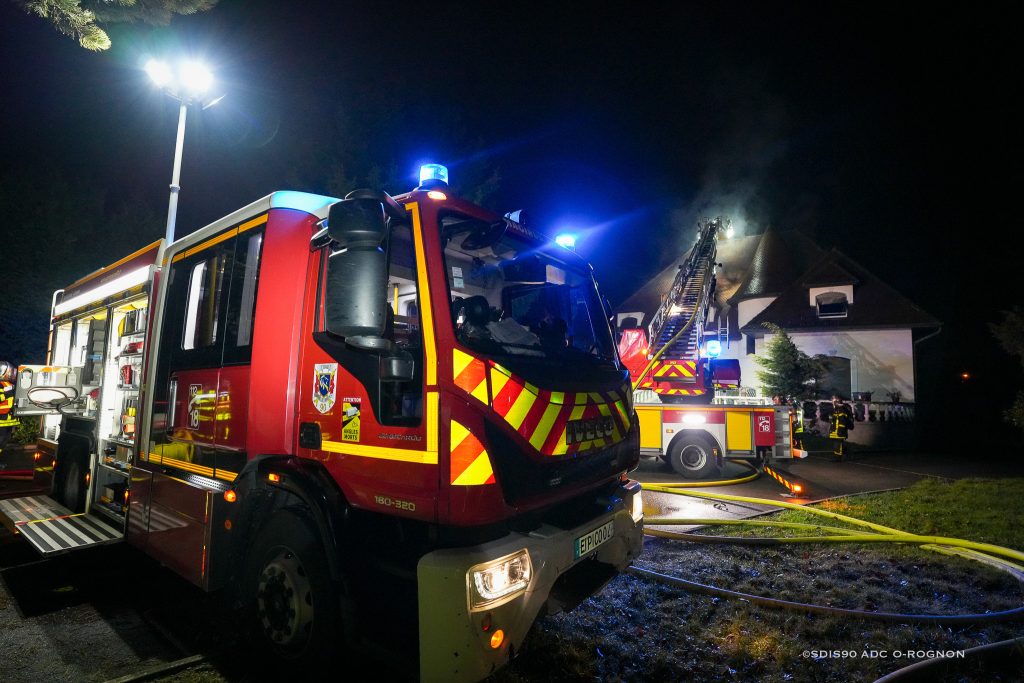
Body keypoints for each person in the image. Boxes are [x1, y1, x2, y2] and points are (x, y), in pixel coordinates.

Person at [0, 361, 19, 454]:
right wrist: (9, 393)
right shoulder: (1, 384)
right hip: (2, 419)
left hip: (9, 419)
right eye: (10, 371)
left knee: (4, 441)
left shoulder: (10, 384)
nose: (11, 373)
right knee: (1, 440)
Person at [828, 393, 854, 461]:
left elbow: (842, 421)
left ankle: (837, 457)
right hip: (835, 430)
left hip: (839, 431)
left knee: (837, 444)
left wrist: (840, 430)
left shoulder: (841, 409)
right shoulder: (836, 409)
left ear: (837, 401)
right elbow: (833, 420)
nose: (832, 402)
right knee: (839, 444)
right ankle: (847, 454)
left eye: (833, 401)